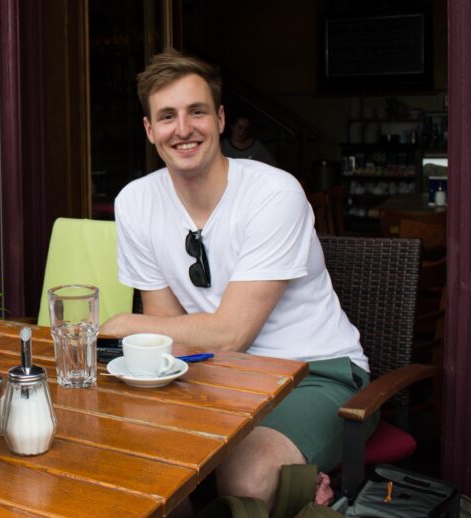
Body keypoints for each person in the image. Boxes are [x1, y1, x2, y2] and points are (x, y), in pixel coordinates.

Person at [100, 49, 370, 509]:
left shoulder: (273, 193)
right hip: (212, 374)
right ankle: (302, 492)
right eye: (166, 116)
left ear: (221, 119)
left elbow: (230, 333)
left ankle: (302, 494)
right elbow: (173, 337)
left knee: (244, 474)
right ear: (149, 130)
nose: (182, 128)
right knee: (129, 454)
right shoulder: (136, 202)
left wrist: (127, 324)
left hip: (315, 374)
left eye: (196, 111)